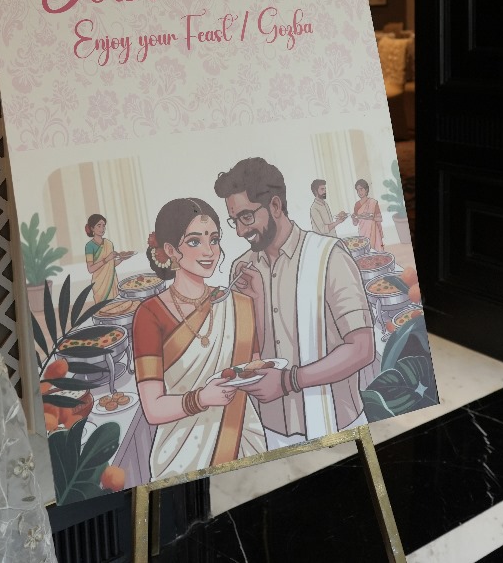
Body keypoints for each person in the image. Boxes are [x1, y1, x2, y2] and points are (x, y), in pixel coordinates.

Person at [215, 158, 376, 448]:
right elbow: (250, 355)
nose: (239, 231)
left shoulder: (329, 255)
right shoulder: (243, 269)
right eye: (234, 220)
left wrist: (289, 381)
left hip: (339, 427)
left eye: (246, 217)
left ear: (275, 206)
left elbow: (362, 348)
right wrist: (257, 302)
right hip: (268, 433)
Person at [129, 198, 266, 481]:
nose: (209, 251)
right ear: (170, 250)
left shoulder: (236, 303)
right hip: (181, 456)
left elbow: (254, 368)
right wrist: (201, 398)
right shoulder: (150, 314)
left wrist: (259, 301)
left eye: (214, 240)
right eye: (194, 241)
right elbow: (152, 409)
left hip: (242, 437)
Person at [83, 214, 133, 304]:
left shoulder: (108, 243)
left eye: (103, 226)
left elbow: (111, 265)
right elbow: (90, 269)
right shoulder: (89, 246)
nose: (102, 228)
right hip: (99, 284)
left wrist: (122, 259)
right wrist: (106, 259)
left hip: (111, 282)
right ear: (92, 228)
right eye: (99, 226)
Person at [350, 178, 385, 252]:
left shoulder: (373, 202)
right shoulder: (357, 205)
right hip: (363, 232)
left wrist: (371, 217)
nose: (359, 192)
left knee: (377, 251)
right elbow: (355, 223)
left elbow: (380, 218)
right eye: (358, 190)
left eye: (361, 189)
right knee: (366, 251)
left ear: (366, 190)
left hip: (374, 231)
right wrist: (353, 218)